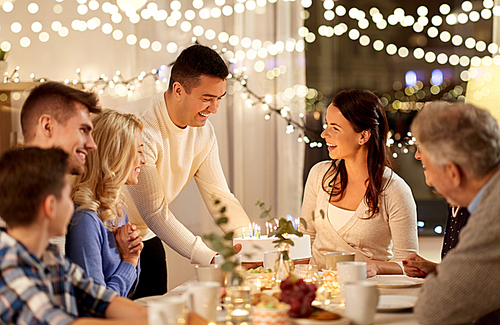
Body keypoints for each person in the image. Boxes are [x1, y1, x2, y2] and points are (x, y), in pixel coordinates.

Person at [117, 44, 249, 298]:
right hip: (111, 242)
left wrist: (250, 247)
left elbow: (220, 196)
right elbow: (154, 211)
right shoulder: (139, 126)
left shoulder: (204, 132)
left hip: (148, 238)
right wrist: (209, 258)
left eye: (219, 99)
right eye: (207, 98)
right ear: (178, 89)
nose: (214, 109)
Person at [0, 147, 147, 324]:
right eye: (67, 196)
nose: (73, 204)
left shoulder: (49, 256)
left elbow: (103, 299)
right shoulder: (7, 265)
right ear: (51, 206)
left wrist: (161, 315)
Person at [300, 89, 418, 275]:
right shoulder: (319, 175)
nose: (324, 134)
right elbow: (305, 239)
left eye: (335, 128)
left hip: (365, 293)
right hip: (319, 293)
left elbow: (411, 266)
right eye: (326, 125)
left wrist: (376, 266)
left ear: (363, 136)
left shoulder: (395, 190)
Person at [409, 101, 500, 324]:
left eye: (428, 164)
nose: (418, 159)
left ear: (452, 172)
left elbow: (433, 309)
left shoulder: (494, 211)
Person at [66, 110, 145, 297]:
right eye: (139, 151)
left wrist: (133, 255)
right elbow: (97, 304)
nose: (144, 160)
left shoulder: (115, 208)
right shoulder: (84, 220)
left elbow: (129, 290)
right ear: (116, 155)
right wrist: (130, 260)